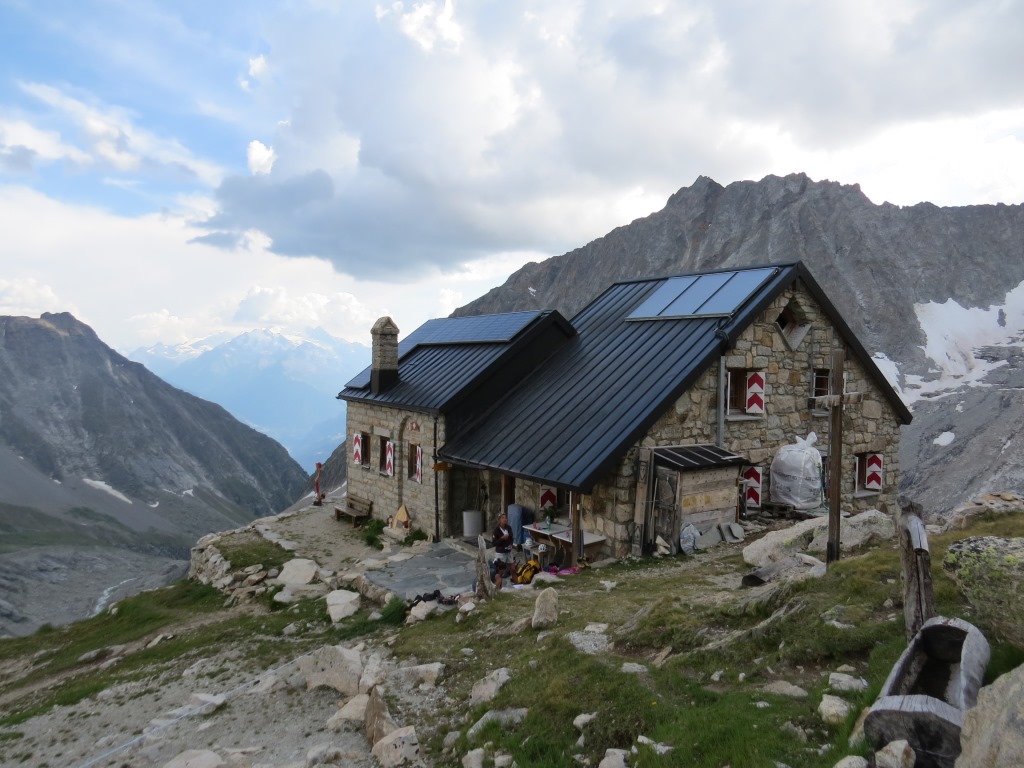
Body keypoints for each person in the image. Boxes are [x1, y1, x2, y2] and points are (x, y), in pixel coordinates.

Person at [491, 512, 513, 588]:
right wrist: (502, 538)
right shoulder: (496, 530)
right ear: (499, 520)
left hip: (508, 552)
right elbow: (493, 543)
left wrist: (511, 544)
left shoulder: (509, 528)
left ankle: (518, 586)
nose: (505, 519)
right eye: (503, 518)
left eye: (506, 518)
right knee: (501, 572)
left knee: (513, 569)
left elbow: (511, 538)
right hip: (501, 553)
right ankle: (498, 589)